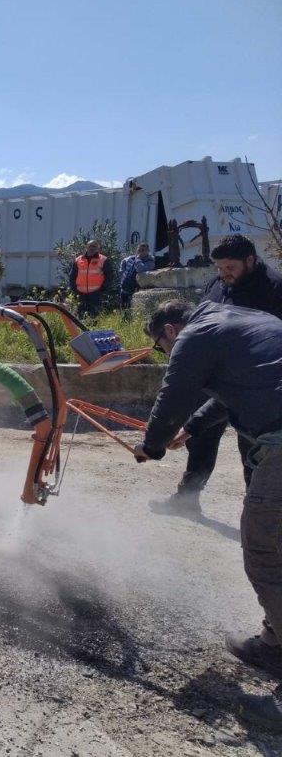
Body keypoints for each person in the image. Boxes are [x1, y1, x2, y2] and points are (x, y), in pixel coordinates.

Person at [134, 299, 282, 729]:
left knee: (264, 549)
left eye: (162, 348)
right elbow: (233, 392)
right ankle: (275, 640)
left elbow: (173, 392)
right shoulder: (250, 320)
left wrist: (153, 444)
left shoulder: (195, 336)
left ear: (168, 330)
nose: (166, 353)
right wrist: (192, 428)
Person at [153, 235, 282, 516]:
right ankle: (187, 499)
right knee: (198, 435)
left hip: (253, 388)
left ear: (250, 260)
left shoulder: (273, 289)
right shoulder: (218, 283)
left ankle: (259, 513)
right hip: (214, 376)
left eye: (230, 268)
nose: (224, 274)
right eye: (219, 268)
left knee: (252, 448)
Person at [68, 240, 112, 317]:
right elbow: (72, 276)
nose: (92, 248)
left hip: (96, 294)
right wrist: (74, 288)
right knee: (80, 316)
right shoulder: (78, 260)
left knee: (95, 317)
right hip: (81, 293)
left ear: (98, 248)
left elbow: (109, 276)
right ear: (86, 247)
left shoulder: (103, 260)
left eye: (94, 246)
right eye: (90, 246)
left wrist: (102, 290)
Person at [119, 242, 155, 309]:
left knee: (132, 310)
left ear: (148, 251)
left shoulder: (150, 262)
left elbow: (140, 269)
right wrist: (122, 271)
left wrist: (138, 259)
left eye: (143, 250)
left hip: (136, 291)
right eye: (139, 250)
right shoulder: (132, 258)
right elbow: (124, 261)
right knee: (123, 310)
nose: (140, 252)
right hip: (124, 289)